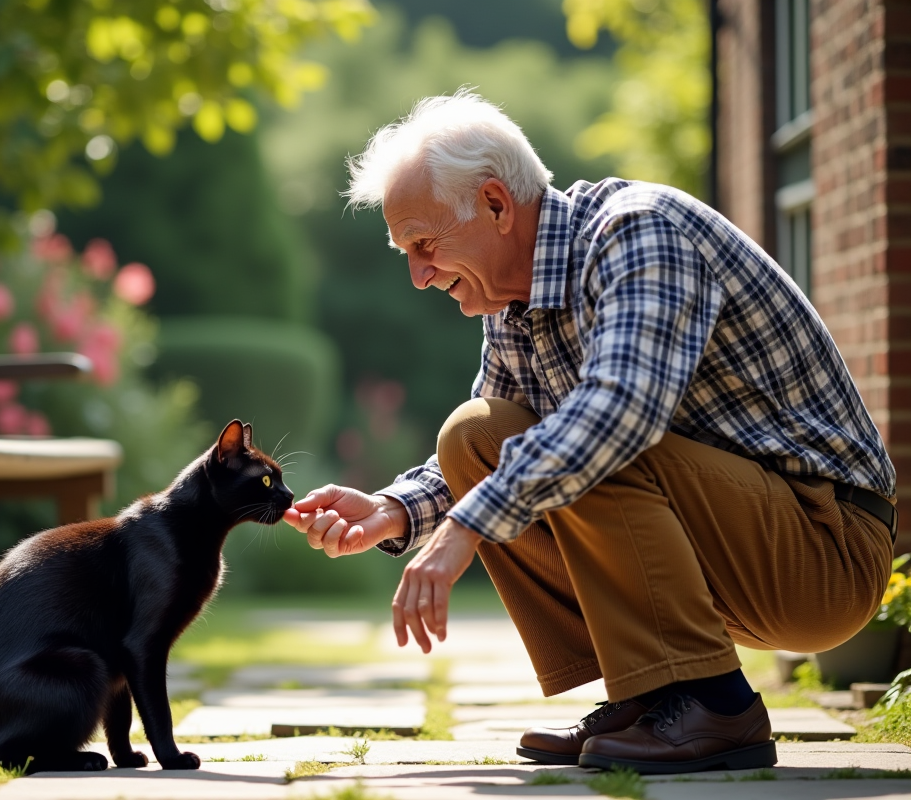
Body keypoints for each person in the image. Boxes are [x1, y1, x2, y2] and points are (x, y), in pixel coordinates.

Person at [281, 90, 897, 774]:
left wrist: (465, 530)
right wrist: (393, 511)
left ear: (494, 203)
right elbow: (493, 448)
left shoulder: (640, 232)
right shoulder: (512, 302)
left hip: (823, 551)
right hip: (734, 545)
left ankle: (718, 709)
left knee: (592, 433)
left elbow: (619, 412)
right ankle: (653, 697)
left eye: (424, 245)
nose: (419, 276)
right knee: (473, 436)